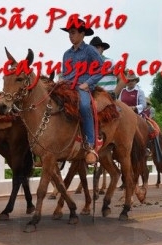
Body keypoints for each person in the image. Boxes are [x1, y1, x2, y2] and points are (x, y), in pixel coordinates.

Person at [60, 19, 103, 164]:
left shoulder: (90, 50)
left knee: (84, 106)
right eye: (69, 33)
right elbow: (65, 73)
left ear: (82, 34)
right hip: (67, 87)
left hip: (82, 86)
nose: (70, 36)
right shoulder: (66, 54)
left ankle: (91, 144)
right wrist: (61, 81)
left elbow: (101, 68)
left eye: (73, 32)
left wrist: (88, 83)